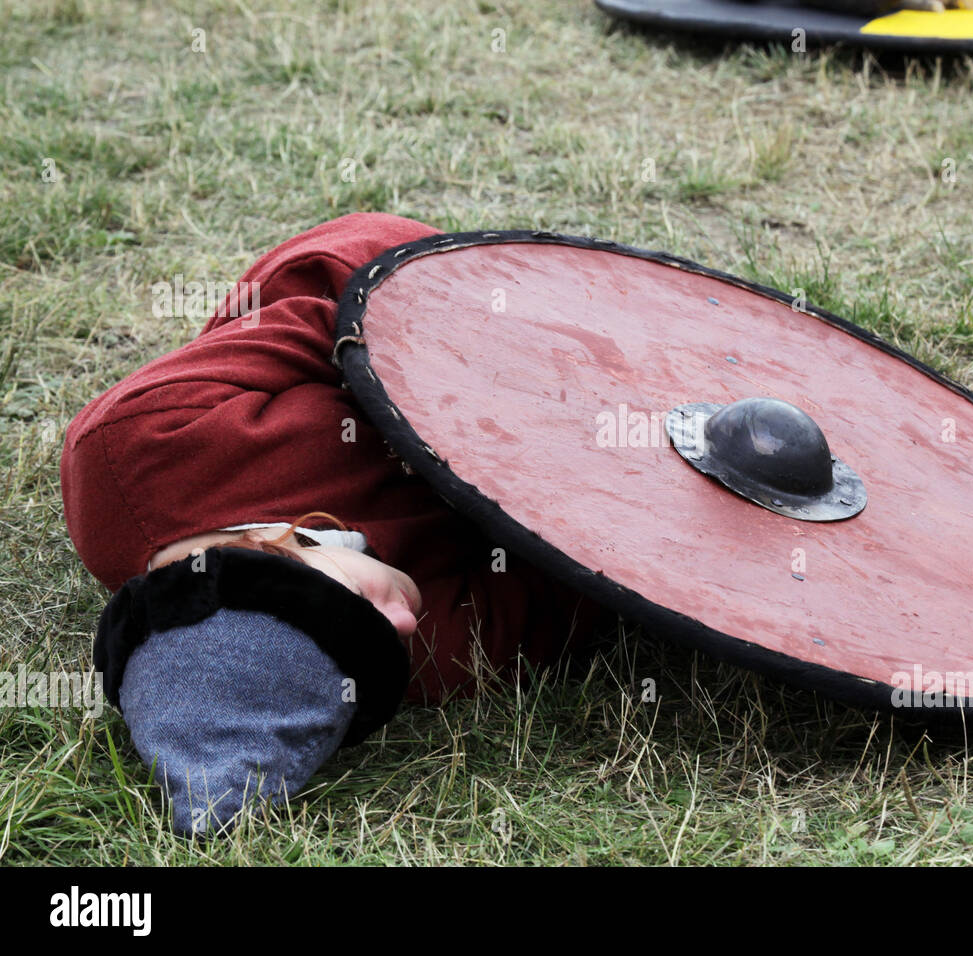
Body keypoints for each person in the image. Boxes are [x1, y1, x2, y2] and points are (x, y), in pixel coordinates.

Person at [62, 213, 608, 835]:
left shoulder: (132, 446)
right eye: (374, 648)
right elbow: (582, 578)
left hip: (396, 276)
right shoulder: (421, 658)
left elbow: (319, 313)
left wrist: (485, 359)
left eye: (361, 615)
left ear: (270, 550)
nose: (403, 622)